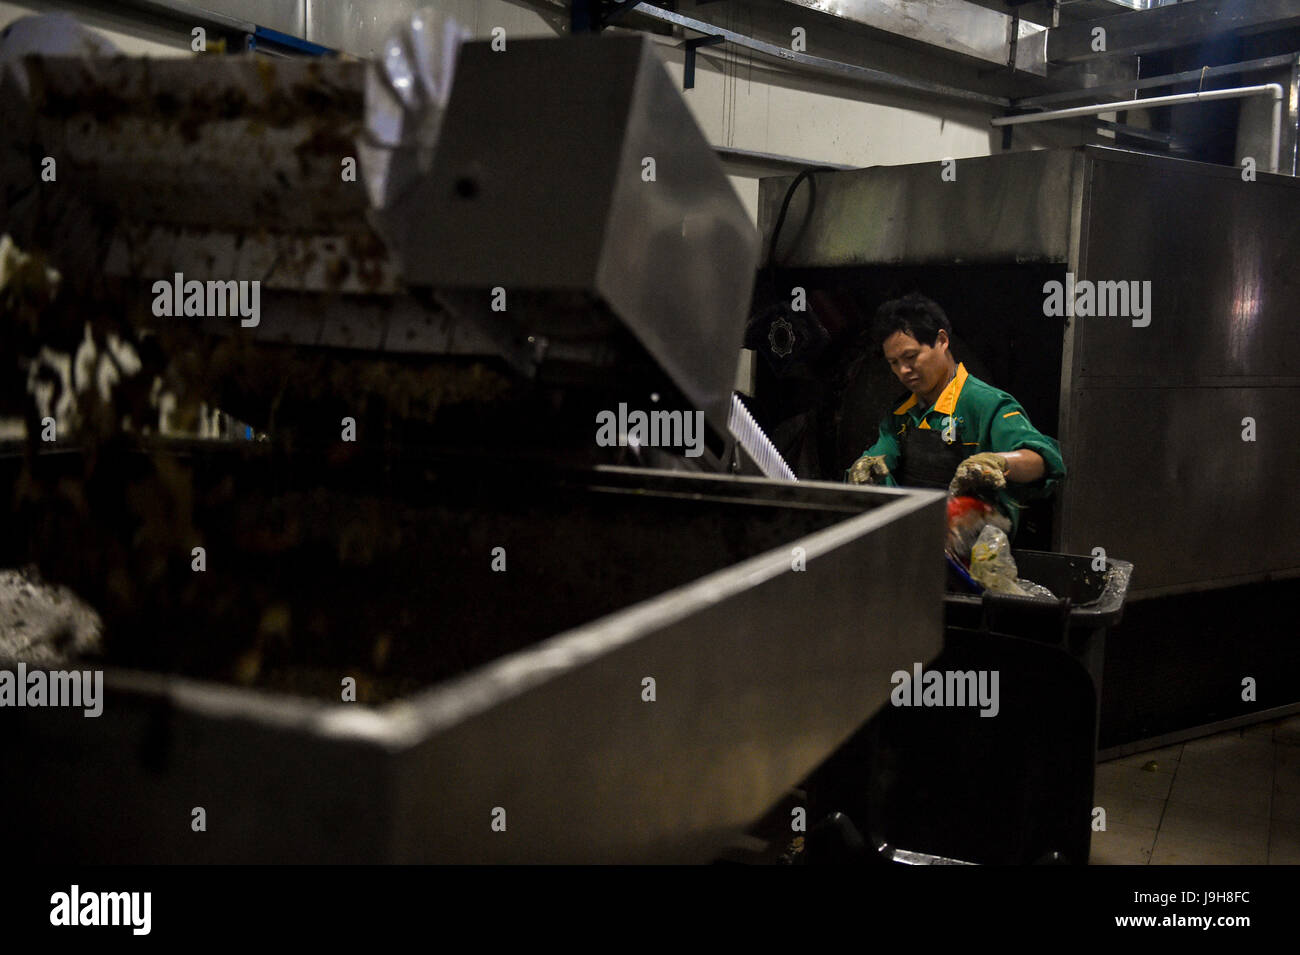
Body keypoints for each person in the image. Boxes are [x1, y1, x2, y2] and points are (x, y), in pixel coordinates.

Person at [846, 293, 1064, 537]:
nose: (903, 370)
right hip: (916, 541)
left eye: (911, 356)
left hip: (976, 549)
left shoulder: (984, 403)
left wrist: (998, 462)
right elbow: (880, 456)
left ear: (941, 340)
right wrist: (864, 470)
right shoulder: (902, 414)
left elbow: (1042, 460)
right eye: (894, 362)